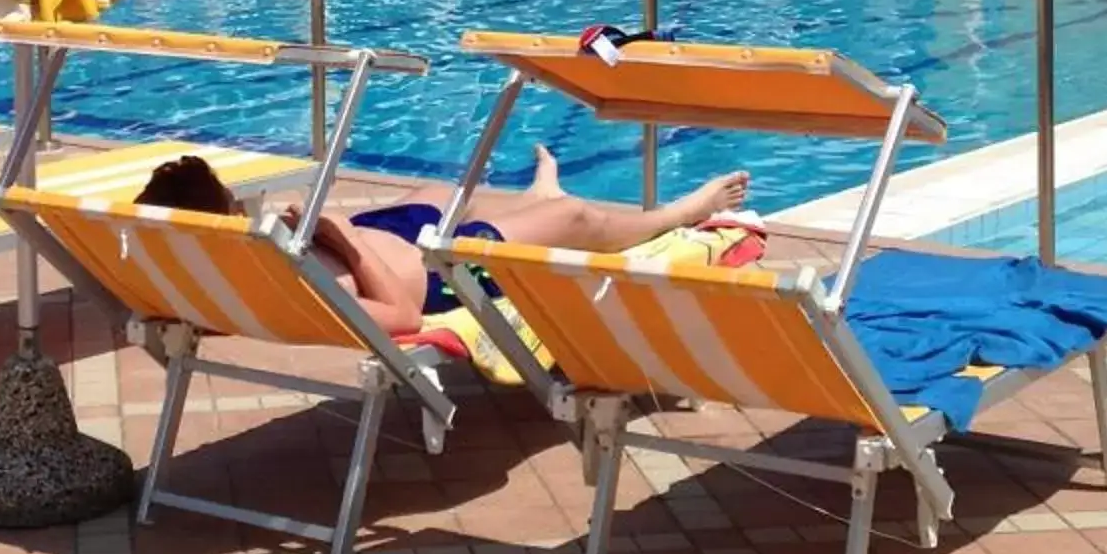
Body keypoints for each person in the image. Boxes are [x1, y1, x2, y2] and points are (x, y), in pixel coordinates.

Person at [138, 146, 753, 336]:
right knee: (577, 220)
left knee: (438, 190)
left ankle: (537, 201)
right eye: (229, 200)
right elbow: (400, 315)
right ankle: (679, 212)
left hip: (393, 237)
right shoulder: (278, 283)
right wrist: (344, 245)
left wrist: (332, 236)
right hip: (443, 273)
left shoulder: (204, 273)